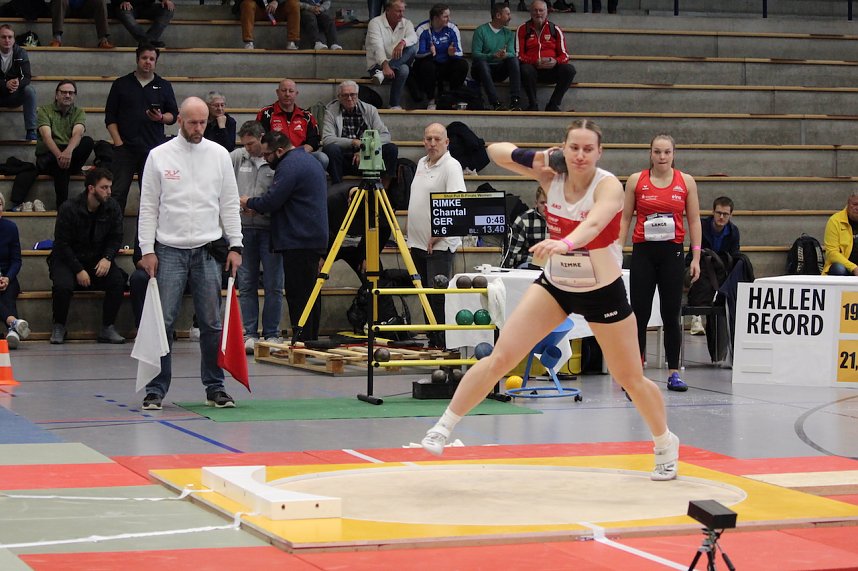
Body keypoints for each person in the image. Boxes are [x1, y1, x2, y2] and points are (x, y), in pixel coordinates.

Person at [420, 119, 681, 483]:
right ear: (563, 149)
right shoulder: (550, 176)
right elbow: (496, 152)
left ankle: (665, 443)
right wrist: (539, 157)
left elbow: (595, 224)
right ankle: (444, 426)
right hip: (556, 286)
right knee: (501, 358)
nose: (580, 155)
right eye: (573, 148)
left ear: (600, 152)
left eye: (588, 149)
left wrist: (565, 243)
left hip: (601, 290)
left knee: (630, 378)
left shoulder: (608, 186)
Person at [138, 97, 243, 411]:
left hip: (208, 249)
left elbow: (229, 203)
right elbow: (148, 206)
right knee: (163, 322)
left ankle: (215, 387)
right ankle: (155, 389)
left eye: (203, 122)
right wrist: (147, 249)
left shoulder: (219, 154)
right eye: (193, 122)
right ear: (180, 121)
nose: (199, 128)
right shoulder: (158, 156)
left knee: (211, 323)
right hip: (168, 249)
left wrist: (236, 244)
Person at [620, 133, 702, 392]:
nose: (662, 157)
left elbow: (694, 220)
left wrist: (696, 256)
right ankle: (635, 374)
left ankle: (673, 373)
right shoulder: (636, 181)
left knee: (670, 314)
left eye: (667, 152)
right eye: (657, 152)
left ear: (673, 154)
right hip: (643, 253)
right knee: (639, 314)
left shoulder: (686, 182)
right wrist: (616, 250)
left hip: (672, 254)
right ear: (650, 153)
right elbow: (625, 218)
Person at [240, 130, 328, 342]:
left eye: (267, 155)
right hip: (309, 236)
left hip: (299, 239)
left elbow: (273, 200)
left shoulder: (289, 166)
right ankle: (309, 337)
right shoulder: (307, 160)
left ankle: (303, 339)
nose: (265, 159)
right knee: (309, 293)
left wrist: (249, 202)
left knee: (299, 294)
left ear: (279, 151)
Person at [48, 168, 127, 345]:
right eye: (104, 187)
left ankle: (108, 327)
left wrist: (107, 258)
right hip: (67, 259)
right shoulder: (69, 208)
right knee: (62, 286)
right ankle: (59, 325)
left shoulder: (112, 207)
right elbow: (62, 244)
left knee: (117, 281)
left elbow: (116, 237)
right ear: (91, 188)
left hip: (97, 258)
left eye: (110, 187)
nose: (109, 192)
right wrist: (78, 269)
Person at [406, 123, 464, 347]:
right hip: (417, 243)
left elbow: (456, 203)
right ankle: (432, 339)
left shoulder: (452, 166)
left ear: (446, 142)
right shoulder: (422, 163)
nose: (432, 143)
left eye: (437, 139)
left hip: (438, 245)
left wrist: (438, 233)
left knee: (437, 295)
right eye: (428, 139)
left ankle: (442, 342)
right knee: (424, 294)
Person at [104, 44, 178, 214]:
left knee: (150, 197)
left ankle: (144, 233)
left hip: (152, 149)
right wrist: (118, 143)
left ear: (156, 62)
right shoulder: (121, 84)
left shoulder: (164, 85)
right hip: (125, 148)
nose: (148, 62)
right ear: (137, 59)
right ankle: (113, 231)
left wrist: (161, 117)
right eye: (144, 58)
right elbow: (110, 117)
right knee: (117, 193)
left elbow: (173, 116)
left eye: (152, 59)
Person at [230, 121, 283, 353]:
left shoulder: (275, 161)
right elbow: (225, 185)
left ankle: (272, 333)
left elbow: (280, 195)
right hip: (244, 230)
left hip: (269, 229)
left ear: (262, 138)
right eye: (244, 144)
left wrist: (260, 208)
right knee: (247, 283)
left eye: (251, 144)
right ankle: (249, 332)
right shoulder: (237, 157)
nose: (248, 148)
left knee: (274, 284)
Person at [321, 80, 398, 185]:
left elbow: (385, 135)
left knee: (391, 149)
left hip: (369, 157)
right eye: (345, 95)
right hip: (345, 158)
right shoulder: (330, 112)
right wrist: (352, 142)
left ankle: (385, 188)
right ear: (339, 97)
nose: (349, 98)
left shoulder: (370, 110)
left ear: (357, 95)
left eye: (352, 95)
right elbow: (327, 139)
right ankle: (338, 187)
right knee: (330, 149)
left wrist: (365, 150)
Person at [36, 79, 94, 210]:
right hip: (49, 156)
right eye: (64, 92)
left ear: (74, 96)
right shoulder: (44, 110)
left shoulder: (79, 112)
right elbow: (46, 137)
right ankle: (62, 208)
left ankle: (63, 208)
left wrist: (67, 152)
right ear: (56, 95)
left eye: (71, 93)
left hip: (69, 154)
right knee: (61, 167)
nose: (67, 95)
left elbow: (77, 134)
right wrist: (60, 156)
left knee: (88, 141)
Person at [689, 196, 740, 334]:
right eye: (719, 213)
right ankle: (697, 316)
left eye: (725, 214)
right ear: (713, 212)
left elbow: (734, 255)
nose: (721, 217)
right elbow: (695, 249)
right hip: (701, 263)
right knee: (701, 273)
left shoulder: (733, 231)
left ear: (731, 215)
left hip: (721, 266)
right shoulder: (702, 226)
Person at [516, 0, 575, 112]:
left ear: (547, 12)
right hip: (532, 70)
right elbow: (519, 55)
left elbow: (565, 55)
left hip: (551, 70)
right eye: (535, 10)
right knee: (525, 69)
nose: (538, 13)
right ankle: (533, 104)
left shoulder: (555, 29)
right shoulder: (523, 28)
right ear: (530, 12)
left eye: (541, 10)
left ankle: (553, 104)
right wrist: (535, 61)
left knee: (569, 70)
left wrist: (555, 61)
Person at [257, 78, 328, 170]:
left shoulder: (307, 116)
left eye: (291, 91)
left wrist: (296, 153)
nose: (287, 94)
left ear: (296, 94)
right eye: (284, 90)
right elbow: (261, 138)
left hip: (301, 155)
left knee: (322, 158)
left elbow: (314, 141)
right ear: (277, 92)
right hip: (276, 156)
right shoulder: (266, 113)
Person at [414, 3, 468, 111]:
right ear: (435, 18)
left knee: (462, 64)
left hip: (446, 63)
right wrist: (430, 52)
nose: (449, 19)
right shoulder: (422, 29)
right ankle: (431, 99)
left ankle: (453, 97)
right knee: (427, 66)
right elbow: (417, 54)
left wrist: (452, 54)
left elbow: (459, 52)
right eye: (445, 16)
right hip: (430, 63)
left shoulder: (452, 28)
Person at [365, 0, 418, 110]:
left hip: (388, 69)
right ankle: (394, 104)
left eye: (403, 11)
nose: (401, 14)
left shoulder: (407, 23)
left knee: (412, 48)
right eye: (398, 11)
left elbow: (414, 37)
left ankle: (392, 103)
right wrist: (385, 66)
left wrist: (403, 42)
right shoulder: (375, 23)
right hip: (378, 67)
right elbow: (377, 47)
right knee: (404, 69)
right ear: (388, 10)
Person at [472, 2, 522, 111]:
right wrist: (492, 56)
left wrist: (505, 55)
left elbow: (512, 53)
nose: (510, 17)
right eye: (507, 14)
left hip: (499, 70)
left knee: (513, 60)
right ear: (498, 15)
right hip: (480, 70)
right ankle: (495, 103)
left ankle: (515, 101)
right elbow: (475, 54)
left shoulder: (509, 33)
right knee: (482, 63)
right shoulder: (481, 30)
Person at [0, 192, 30, 349]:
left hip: (7, 276)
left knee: (8, 292)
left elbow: (16, 260)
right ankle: (13, 324)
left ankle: (13, 329)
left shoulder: (10, 228)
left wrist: (7, 278)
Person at [0, 24, 37, 141]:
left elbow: (27, 77)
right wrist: (5, 84)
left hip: (13, 94)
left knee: (29, 90)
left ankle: (31, 131)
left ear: (14, 39)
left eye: (10, 37)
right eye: (3, 37)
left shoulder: (21, 53)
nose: (7, 40)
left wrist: (17, 83)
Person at [501, 186, 547, 268]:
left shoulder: (564, 219)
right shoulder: (524, 219)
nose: (546, 206)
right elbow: (511, 252)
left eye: (550, 203)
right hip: (530, 264)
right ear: (536, 203)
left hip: (557, 265)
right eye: (542, 203)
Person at [49, 0, 114, 48]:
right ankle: (57, 40)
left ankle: (103, 41)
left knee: (100, 1)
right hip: (66, 6)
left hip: (85, 6)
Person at [111, 0, 175, 48]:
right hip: (127, 7)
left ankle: (149, 40)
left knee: (168, 9)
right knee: (124, 11)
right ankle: (146, 41)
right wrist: (122, 1)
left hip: (147, 7)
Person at [823, 190, 858, 276]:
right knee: (839, 268)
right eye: (855, 204)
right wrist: (853, 268)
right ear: (848, 204)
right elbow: (832, 253)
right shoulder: (835, 221)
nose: (857, 208)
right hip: (844, 267)